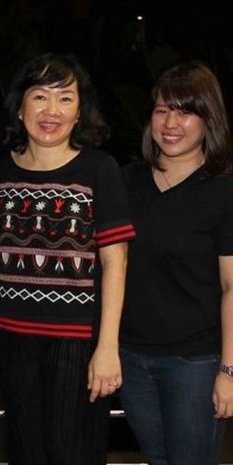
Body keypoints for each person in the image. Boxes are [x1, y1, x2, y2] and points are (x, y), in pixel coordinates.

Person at [0, 53, 135, 464]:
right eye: (40, 96)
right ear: (20, 106)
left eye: (65, 99)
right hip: (11, 335)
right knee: (24, 450)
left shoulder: (98, 169)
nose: (51, 110)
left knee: (73, 452)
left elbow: (116, 263)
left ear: (79, 111)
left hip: (76, 341)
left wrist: (108, 346)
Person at [119, 61, 233, 465]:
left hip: (194, 363)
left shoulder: (222, 191)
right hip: (130, 358)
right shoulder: (127, 181)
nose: (171, 122)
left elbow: (231, 287)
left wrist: (229, 371)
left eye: (186, 111)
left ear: (209, 119)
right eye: (162, 109)